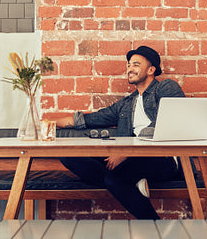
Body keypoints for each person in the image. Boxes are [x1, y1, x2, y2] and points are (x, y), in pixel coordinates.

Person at [56, 45, 185, 219]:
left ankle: (155, 226)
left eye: (136, 65)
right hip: (131, 160)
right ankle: (134, 182)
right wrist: (49, 123)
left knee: (114, 180)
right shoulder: (126, 104)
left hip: (163, 159)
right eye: (129, 65)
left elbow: (169, 123)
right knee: (69, 156)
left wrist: (127, 152)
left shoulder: (165, 88)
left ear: (151, 70)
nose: (130, 69)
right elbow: (91, 119)